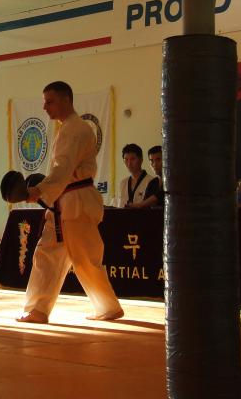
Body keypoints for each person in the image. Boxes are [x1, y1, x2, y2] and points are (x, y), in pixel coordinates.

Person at [17, 81, 123, 324]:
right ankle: (105, 307)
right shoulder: (72, 128)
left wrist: (39, 190)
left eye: (50, 101)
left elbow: (63, 169)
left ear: (66, 100)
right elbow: (63, 170)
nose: (45, 107)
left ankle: (41, 310)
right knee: (72, 256)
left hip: (73, 202)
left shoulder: (74, 130)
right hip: (72, 201)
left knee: (67, 256)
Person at [119, 143, 159, 209]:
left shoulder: (151, 181)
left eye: (132, 159)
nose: (129, 163)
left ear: (141, 160)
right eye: (126, 159)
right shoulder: (123, 183)